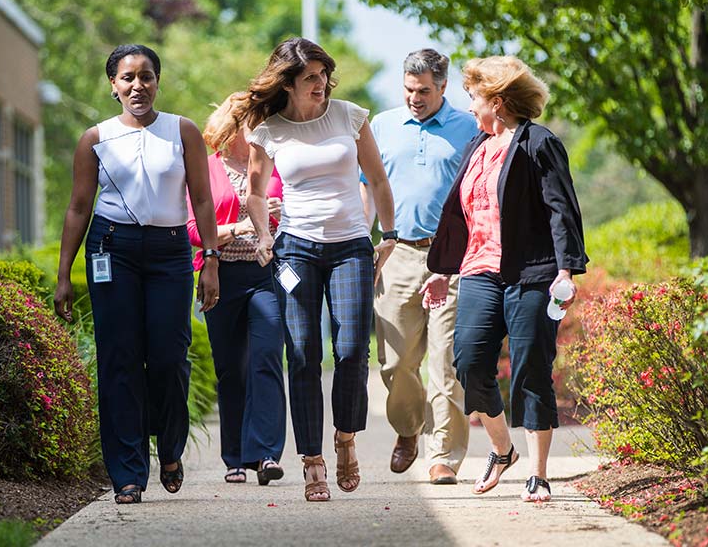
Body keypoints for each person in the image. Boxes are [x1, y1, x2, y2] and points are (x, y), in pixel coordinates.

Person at [53, 44, 220, 505]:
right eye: (127, 78)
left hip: (169, 253)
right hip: (112, 248)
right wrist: (64, 274)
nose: (137, 86)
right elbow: (78, 207)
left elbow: (202, 200)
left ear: (157, 80)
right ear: (113, 85)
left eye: (145, 76)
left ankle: (169, 450)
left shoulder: (181, 131)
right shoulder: (95, 138)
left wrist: (210, 260)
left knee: (169, 357)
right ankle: (127, 473)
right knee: (119, 360)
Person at [421, 55, 588, 502]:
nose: (470, 106)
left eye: (474, 97)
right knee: (470, 362)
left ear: (497, 100)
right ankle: (502, 449)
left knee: (531, 364)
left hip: (531, 272)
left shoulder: (539, 143)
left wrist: (566, 270)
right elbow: (463, 215)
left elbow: (561, 208)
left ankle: (538, 472)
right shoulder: (478, 146)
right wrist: (443, 270)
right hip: (478, 269)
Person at [237, 37, 397, 502]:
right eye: (310, 77)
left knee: (350, 350)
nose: (321, 84)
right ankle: (312, 460)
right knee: (303, 353)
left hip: (350, 244)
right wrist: (264, 234)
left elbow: (378, 178)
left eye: (324, 75)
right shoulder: (268, 131)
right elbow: (255, 191)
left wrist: (387, 235)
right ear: (287, 82)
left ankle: (345, 438)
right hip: (296, 250)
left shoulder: (350, 115)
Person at [359, 49, 478, 485]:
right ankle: (408, 428)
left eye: (424, 91)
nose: (415, 98)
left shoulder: (469, 128)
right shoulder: (383, 126)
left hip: (452, 258)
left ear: (443, 87)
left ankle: (442, 453)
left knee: (446, 363)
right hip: (397, 253)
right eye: (409, 89)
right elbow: (367, 188)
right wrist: (364, 239)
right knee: (394, 363)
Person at [187, 93, 287, 486]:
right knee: (231, 369)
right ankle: (234, 457)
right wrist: (242, 228)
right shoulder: (206, 170)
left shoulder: (271, 164)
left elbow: (291, 210)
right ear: (230, 126)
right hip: (221, 277)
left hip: (266, 275)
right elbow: (194, 230)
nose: (257, 130)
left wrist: (282, 214)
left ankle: (264, 454)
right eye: (250, 122)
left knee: (266, 359)